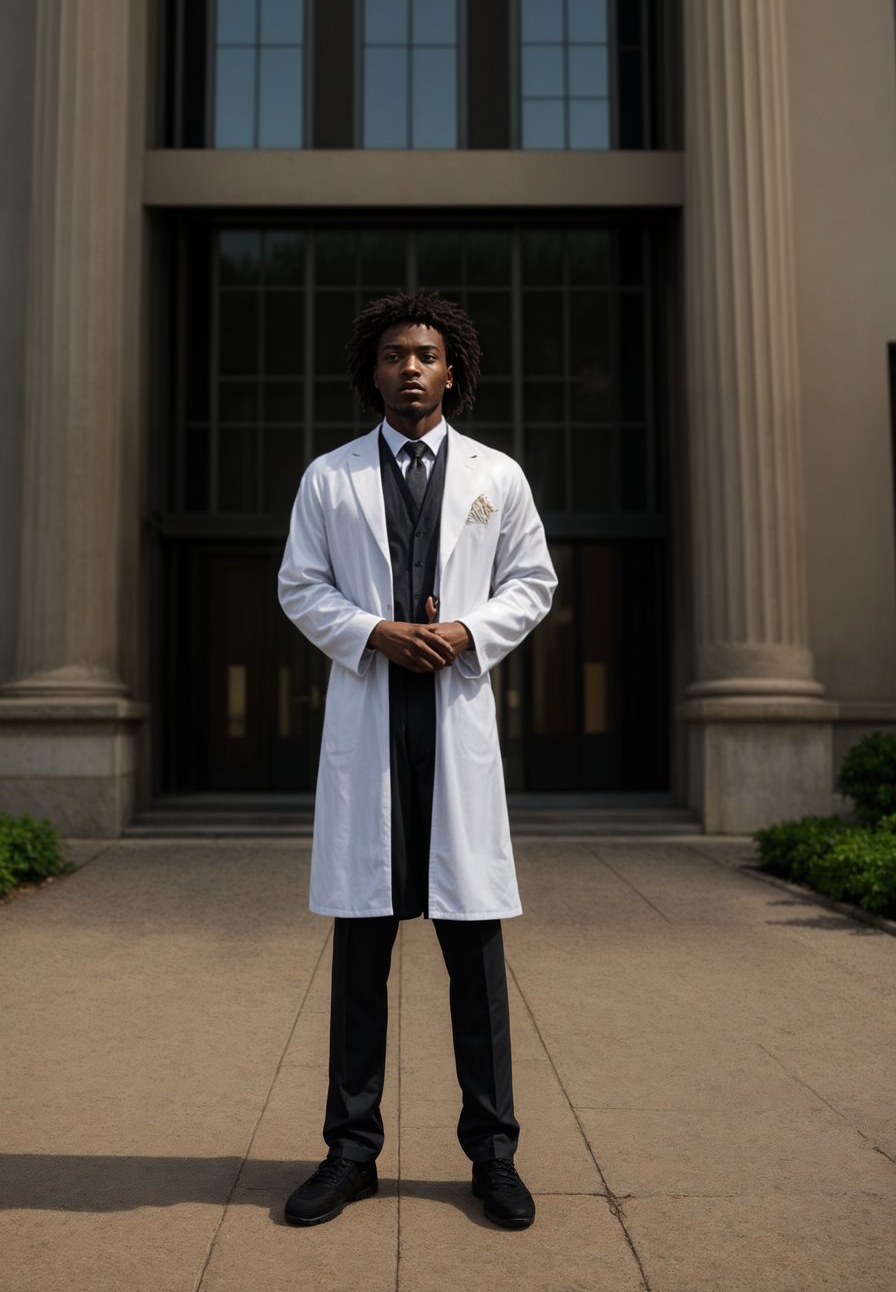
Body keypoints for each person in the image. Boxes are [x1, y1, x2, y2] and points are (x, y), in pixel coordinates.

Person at [277, 289, 557, 1230]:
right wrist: (372, 632)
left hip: (453, 733)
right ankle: (349, 1155)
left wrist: (470, 630)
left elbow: (534, 581)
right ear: (373, 370)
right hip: (372, 733)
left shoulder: (497, 476)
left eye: (426, 354)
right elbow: (298, 584)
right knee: (360, 969)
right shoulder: (330, 477)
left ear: (453, 370)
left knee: (475, 972)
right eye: (394, 354)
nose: (409, 368)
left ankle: (494, 1156)